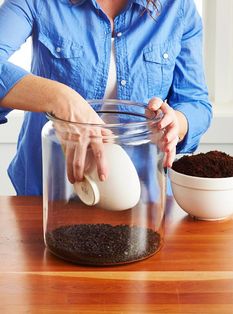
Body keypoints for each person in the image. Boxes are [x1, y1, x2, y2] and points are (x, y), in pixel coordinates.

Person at [0, 0, 212, 196]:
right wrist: (62, 99)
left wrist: (178, 122)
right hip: (50, 192)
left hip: (145, 200)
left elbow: (195, 102)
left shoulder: (178, 6)